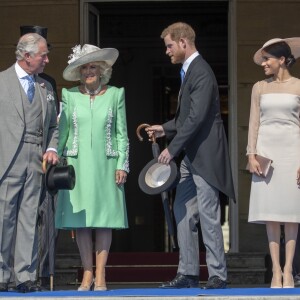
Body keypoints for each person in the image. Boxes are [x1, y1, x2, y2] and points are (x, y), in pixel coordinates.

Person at [146, 22, 235, 289]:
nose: (167, 52)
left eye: (170, 46)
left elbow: (196, 119)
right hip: (190, 157)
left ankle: (218, 274)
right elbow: (185, 118)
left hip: (205, 157)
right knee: (181, 210)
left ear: (184, 42)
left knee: (207, 214)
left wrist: (171, 149)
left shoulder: (202, 72)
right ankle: (188, 272)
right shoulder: (189, 71)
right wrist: (164, 127)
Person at [55, 44, 129, 291]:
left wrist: (123, 165)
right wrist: (56, 156)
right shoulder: (69, 96)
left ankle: (101, 275)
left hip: (106, 164)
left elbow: (122, 134)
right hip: (77, 165)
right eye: (84, 67)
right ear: (79, 72)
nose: (89, 71)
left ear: (102, 70)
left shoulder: (116, 94)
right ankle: (87, 273)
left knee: (104, 219)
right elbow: (62, 132)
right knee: (82, 221)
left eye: (93, 66)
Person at [0, 33, 59, 293]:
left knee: (29, 218)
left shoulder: (45, 88)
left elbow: (55, 125)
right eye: (43, 55)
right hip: (6, 158)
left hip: (36, 159)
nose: (47, 59)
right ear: (27, 56)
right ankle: (2, 273)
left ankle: (25, 275)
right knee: (4, 218)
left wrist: (52, 146)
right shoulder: (1, 82)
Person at [247, 37, 300, 288]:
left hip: (293, 153)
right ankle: (275, 272)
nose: (263, 64)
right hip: (266, 153)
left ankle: (289, 270)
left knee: (291, 215)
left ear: (282, 60)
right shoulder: (259, 87)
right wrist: (251, 154)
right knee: (270, 216)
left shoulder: (299, 86)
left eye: (267, 59)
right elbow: (254, 124)